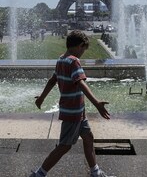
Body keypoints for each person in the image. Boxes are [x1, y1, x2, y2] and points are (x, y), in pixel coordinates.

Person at [30, 30, 112, 177]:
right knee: (64, 146)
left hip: (78, 111)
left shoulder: (61, 59)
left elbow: (52, 80)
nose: (82, 54)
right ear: (80, 45)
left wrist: (42, 97)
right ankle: (39, 173)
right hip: (73, 112)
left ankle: (95, 172)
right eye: (83, 50)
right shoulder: (74, 61)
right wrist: (97, 103)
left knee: (88, 137)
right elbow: (80, 82)